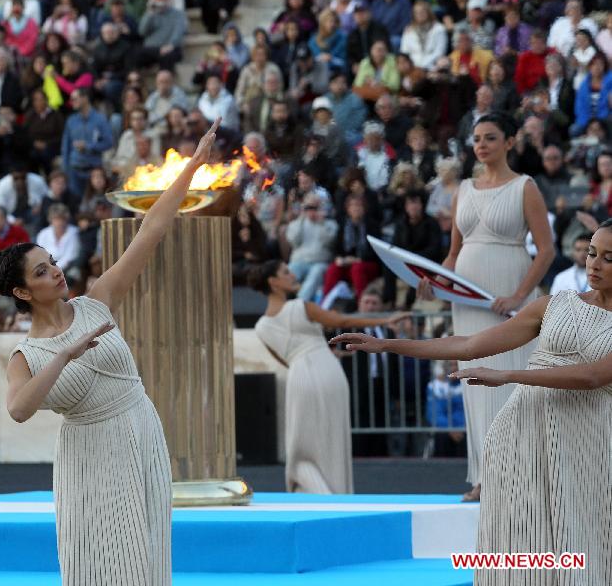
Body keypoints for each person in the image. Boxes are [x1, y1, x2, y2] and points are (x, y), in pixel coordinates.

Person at [0, 119, 221, 585]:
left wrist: (192, 167)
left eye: (51, 262)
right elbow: (18, 409)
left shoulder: (96, 300)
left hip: (138, 431)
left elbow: (150, 231)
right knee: (100, 561)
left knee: (145, 558)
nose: (55, 272)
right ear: (22, 292)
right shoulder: (26, 354)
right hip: (87, 455)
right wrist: (62, 357)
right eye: (40, 272)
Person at [334, 220, 612, 586]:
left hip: (588, 438)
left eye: (609, 258)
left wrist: (511, 376)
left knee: (586, 542)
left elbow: (592, 376)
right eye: (592, 253)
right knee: (520, 540)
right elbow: (468, 345)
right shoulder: (554, 304)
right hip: (523, 430)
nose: (594, 264)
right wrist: (389, 345)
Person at [417, 112, 554, 501]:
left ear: (510, 142)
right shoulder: (463, 188)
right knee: (475, 383)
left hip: (511, 296)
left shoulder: (525, 187)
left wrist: (517, 296)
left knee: (510, 381)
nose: (481, 145)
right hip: (468, 300)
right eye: (476, 138)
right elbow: (453, 253)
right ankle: (483, 476)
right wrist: (432, 282)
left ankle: (521, 476)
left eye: (490, 138)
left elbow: (546, 250)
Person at [251, 261, 406, 493]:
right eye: (285, 272)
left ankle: (310, 492)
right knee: (332, 439)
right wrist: (384, 320)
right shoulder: (300, 306)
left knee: (301, 446)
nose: (292, 274)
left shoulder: (261, 327)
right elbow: (342, 322)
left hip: (298, 376)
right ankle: (334, 495)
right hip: (326, 369)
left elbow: (284, 359)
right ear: (273, 282)